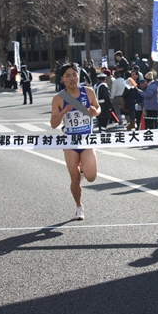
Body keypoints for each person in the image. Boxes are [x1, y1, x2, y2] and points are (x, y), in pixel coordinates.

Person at [50, 63, 101, 220]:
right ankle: (79, 206)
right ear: (62, 79)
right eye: (68, 76)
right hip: (70, 143)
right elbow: (53, 124)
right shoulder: (59, 98)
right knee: (74, 180)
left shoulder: (89, 92)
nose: (72, 78)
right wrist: (64, 111)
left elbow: (98, 108)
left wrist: (95, 112)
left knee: (91, 176)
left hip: (86, 140)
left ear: (79, 75)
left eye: (74, 74)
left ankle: (83, 170)